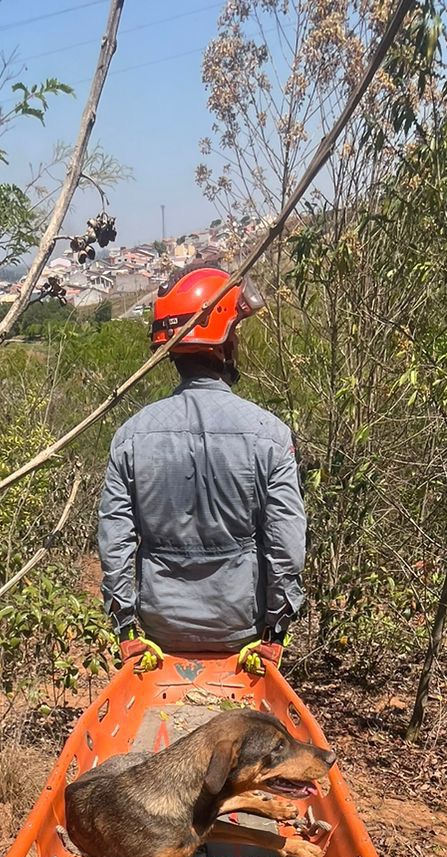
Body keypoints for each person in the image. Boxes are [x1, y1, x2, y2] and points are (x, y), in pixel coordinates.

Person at [97, 267, 306, 671]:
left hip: (160, 626)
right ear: (225, 341)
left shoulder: (131, 436)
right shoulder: (269, 435)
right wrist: (276, 630)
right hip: (240, 626)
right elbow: (287, 545)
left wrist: (125, 628)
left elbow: (115, 541)